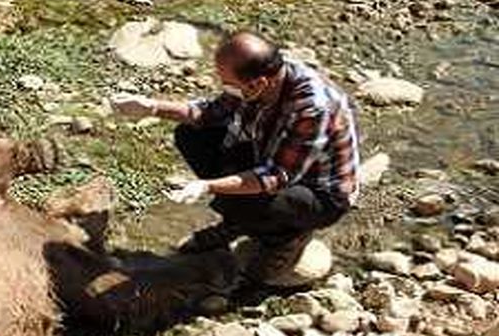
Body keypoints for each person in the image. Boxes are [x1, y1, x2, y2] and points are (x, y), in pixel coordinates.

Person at [110, 31, 361, 282]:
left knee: (245, 201)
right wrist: (151, 107)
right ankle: (237, 222)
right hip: (269, 157)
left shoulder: (312, 107)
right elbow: (210, 113)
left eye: (228, 83)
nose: (225, 87)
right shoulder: (260, 81)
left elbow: (277, 176)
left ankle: (284, 238)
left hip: (319, 193)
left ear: (259, 84)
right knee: (191, 135)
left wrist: (208, 186)